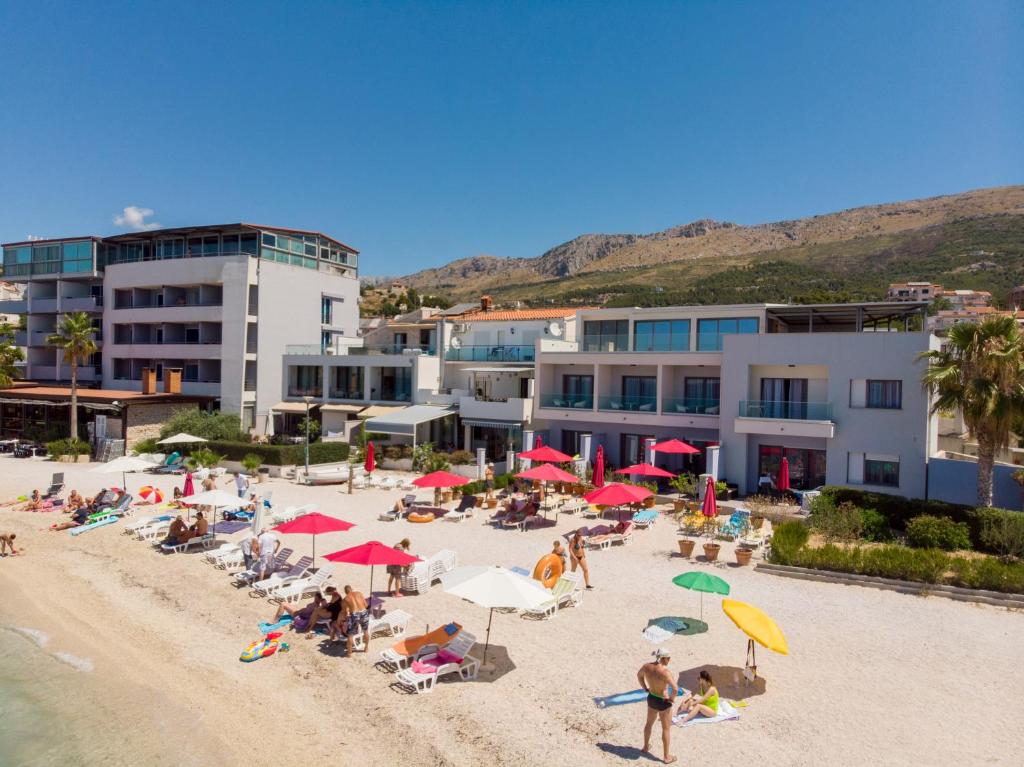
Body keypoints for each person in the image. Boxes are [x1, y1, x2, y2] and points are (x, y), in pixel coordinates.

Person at [638, 648, 677, 765]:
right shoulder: (665, 672)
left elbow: (639, 676)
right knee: (666, 729)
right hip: (663, 700)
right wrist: (671, 699)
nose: (669, 660)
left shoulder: (646, 666)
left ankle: (645, 747)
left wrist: (645, 687)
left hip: (652, 697)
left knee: (649, 724)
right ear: (663, 658)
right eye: (668, 658)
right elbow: (675, 688)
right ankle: (666, 757)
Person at [339, 585, 370, 654]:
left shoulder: (345, 599)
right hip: (364, 612)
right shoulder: (359, 593)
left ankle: (349, 653)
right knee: (365, 631)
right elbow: (366, 605)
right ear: (351, 589)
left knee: (350, 634)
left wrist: (345, 619)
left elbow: (344, 612)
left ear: (345, 592)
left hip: (355, 614)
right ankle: (366, 648)